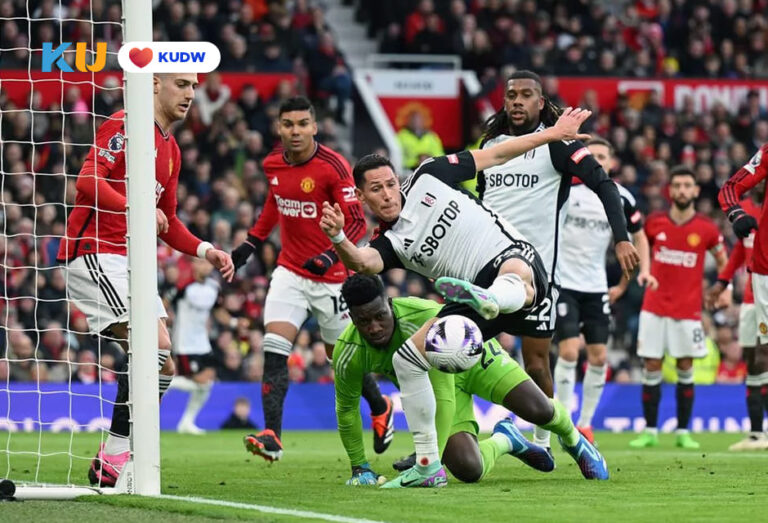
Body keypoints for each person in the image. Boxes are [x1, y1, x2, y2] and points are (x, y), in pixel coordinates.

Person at [320, 107, 609, 488]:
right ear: (360, 197)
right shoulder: (391, 242)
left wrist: (552, 135)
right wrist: (339, 237)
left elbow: (496, 155)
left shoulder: (429, 175)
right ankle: (427, 466)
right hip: (467, 310)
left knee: (535, 388)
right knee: (408, 360)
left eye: (390, 183)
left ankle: (574, 440)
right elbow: (364, 262)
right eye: (376, 189)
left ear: (399, 179)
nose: (388, 194)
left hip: (510, 258)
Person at [56, 73, 235, 486]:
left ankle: (113, 455)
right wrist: (134, 207)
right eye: (182, 84)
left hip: (130, 260)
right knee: (154, 346)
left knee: (165, 367)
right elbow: (86, 181)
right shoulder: (124, 124)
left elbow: (166, 221)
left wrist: (206, 249)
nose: (190, 93)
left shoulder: (171, 149)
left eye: (194, 86)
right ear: (154, 84)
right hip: (95, 251)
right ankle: (117, 453)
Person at [477, 71, 639, 451]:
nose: (517, 101)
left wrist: (621, 238)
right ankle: (434, 449)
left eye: (526, 95)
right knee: (455, 351)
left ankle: (544, 442)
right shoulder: (491, 144)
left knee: (537, 365)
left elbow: (604, 184)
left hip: (538, 277)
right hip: (486, 270)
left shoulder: (559, 145)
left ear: (540, 102)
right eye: (511, 95)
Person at [231, 96, 392, 462]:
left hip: (333, 277)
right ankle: (272, 434)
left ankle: (380, 407)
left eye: (303, 123)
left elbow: (355, 222)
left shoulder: (334, 167)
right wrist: (251, 243)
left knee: (342, 360)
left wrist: (329, 254)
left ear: (315, 127)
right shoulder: (273, 162)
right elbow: (275, 203)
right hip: (289, 270)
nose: (296, 131)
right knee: (274, 346)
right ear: (279, 128)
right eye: (288, 124)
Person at [335, 274, 573, 487]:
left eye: (380, 316)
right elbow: (347, 410)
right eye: (364, 322)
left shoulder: (423, 317)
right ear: (352, 318)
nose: (375, 328)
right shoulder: (349, 351)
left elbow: (443, 392)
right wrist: (360, 467)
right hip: (437, 384)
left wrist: (428, 461)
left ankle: (574, 438)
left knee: (539, 410)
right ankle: (506, 440)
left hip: (478, 363)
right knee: (469, 469)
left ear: (390, 303)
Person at [553, 137, 655, 444]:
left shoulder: (620, 196)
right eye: (591, 155)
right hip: (564, 283)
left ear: (610, 162)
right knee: (570, 351)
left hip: (596, 287)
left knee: (598, 358)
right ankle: (563, 421)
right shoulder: (565, 191)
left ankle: (585, 424)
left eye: (601, 156)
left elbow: (640, 236)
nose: (596, 161)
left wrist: (642, 272)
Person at [630, 166, 727, 450]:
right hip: (654, 306)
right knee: (651, 365)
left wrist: (724, 288)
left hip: (688, 311)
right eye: (677, 185)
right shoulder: (654, 223)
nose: (682, 190)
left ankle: (683, 432)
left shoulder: (707, 228)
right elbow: (639, 252)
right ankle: (649, 431)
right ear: (670, 191)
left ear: (696, 191)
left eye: (687, 185)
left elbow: (723, 261)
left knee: (686, 367)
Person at [718, 144, 768, 449]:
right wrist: (736, 214)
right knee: (758, 355)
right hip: (764, 273)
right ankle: (756, 433)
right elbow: (730, 188)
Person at [168, 257, 220, 435]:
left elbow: (219, 311)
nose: (205, 266)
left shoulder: (213, 287)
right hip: (184, 342)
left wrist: (235, 323)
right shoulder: (183, 287)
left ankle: (187, 422)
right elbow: (165, 305)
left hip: (203, 343)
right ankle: (162, 383)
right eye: (201, 262)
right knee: (201, 382)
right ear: (193, 265)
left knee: (206, 384)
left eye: (207, 263)